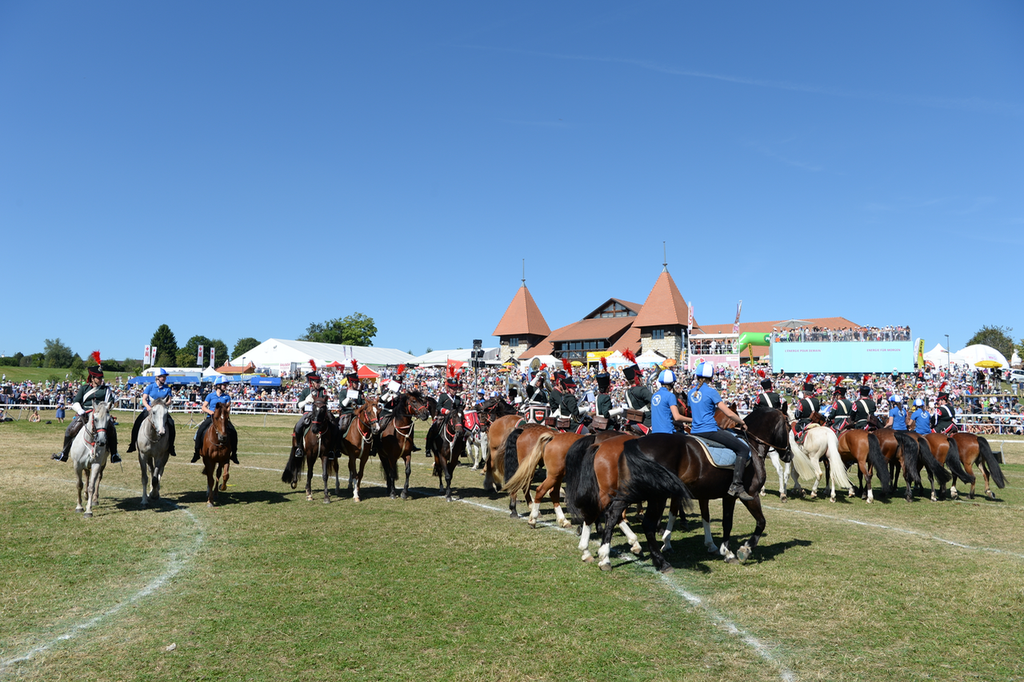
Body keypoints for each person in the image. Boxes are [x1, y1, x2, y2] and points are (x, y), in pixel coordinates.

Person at [687, 362, 753, 500]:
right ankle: (737, 486)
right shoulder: (711, 392)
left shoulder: (691, 393)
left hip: (694, 432)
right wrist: (742, 422)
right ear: (711, 377)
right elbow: (728, 413)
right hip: (709, 430)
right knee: (743, 449)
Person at [52, 352, 121, 463]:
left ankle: (114, 454)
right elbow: (75, 402)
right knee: (70, 430)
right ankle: (64, 454)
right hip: (85, 413)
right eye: (98, 378)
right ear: (92, 378)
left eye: (101, 377)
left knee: (112, 430)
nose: (100, 379)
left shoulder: (106, 389)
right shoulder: (84, 388)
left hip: (100, 414)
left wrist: (106, 409)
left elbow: (110, 402)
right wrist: (80, 410)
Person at [127, 368, 177, 456]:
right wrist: (148, 407)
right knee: (137, 423)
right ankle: (132, 444)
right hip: (150, 410)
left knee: (171, 423)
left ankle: (171, 447)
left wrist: (165, 404)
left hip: (161, 411)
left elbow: (169, 400)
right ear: (157, 377)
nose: (164, 378)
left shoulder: (167, 388)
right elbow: (144, 399)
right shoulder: (150, 387)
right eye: (162, 377)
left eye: (165, 377)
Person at [290, 361, 330, 460]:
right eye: (317, 382)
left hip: (321, 414)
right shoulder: (305, 391)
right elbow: (299, 405)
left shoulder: (322, 390)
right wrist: (306, 401)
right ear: (312, 382)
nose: (319, 384)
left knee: (334, 425)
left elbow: (326, 402)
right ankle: (299, 447)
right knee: (298, 426)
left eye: (319, 382)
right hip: (308, 413)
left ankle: (332, 449)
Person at [192, 377, 237, 464]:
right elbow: (203, 407)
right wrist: (210, 412)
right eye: (224, 385)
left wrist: (225, 413)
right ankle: (197, 452)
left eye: (226, 385)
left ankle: (234, 454)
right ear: (218, 386)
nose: (225, 386)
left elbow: (228, 409)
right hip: (211, 418)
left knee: (233, 432)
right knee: (200, 430)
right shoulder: (210, 396)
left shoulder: (227, 397)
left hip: (222, 419)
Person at [651, 369, 688, 434]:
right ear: (672, 383)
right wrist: (693, 420)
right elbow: (677, 417)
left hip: (655, 432)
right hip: (668, 433)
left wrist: (680, 424)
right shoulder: (670, 396)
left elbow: (663, 418)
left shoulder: (654, 395)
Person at [622, 353, 652, 434]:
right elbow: (654, 402)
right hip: (646, 420)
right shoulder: (642, 390)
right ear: (637, 378)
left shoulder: (626, 392)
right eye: (640, 378)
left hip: (633, 419)